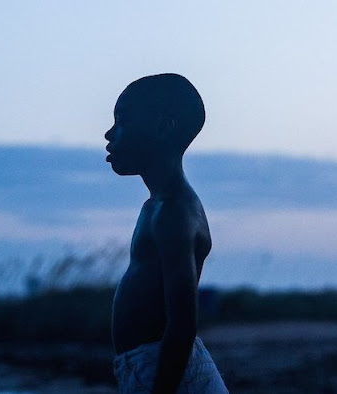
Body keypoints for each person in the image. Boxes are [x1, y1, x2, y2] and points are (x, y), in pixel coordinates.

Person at [105, 74, 228, 394]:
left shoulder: (174, 211)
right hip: (153, 367)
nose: (109, 133)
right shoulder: (157, 207)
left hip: (172, 373)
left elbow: (182, 325)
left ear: (162, 127)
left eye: (121, 121)